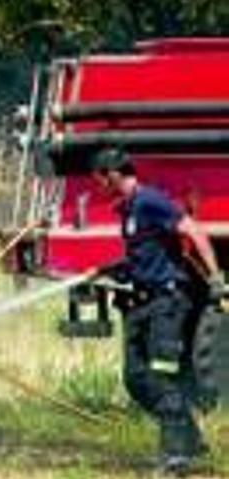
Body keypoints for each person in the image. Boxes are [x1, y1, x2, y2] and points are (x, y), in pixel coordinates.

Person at [91, 148, 226, 475]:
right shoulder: (130, 209)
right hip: (141, 304)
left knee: (160, 376)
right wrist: (113, 270)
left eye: (100, 181)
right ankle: (191, 439)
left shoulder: (151, 201)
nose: (99, 188)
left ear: (111, 175)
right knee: (135, 378)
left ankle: (177, 456)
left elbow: (192, 230)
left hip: (166, 304)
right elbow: (145, 255)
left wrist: (215, 277)